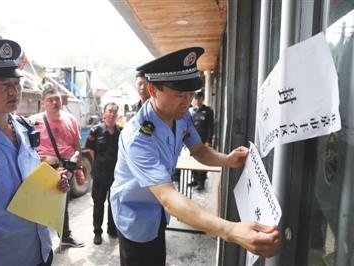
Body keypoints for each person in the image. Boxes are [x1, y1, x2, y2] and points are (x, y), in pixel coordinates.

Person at [110, 47, 281, 266]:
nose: (187, 102)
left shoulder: (180, 115)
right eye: (180, 95)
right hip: (136, 215)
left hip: (158, 213)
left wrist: (226, 159)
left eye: (191, 94)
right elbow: (169, 198)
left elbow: (198, 149)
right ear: (153, 90)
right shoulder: (138, 137)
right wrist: (232, 230)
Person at [0, 39, 69, 266]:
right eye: (3, 84)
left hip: (40, 253)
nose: (14, 91)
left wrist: (52, 185)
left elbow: (25, 183)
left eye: (17, 82)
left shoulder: (24, 129)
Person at [29, 83, 85, 248]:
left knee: (62, 203)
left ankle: (65, 236)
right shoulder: (34, 121)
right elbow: (25, 149)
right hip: (43, 170)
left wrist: (79, 169)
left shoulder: (71, 120)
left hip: (65, 168)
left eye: (57, 99)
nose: (55, 102)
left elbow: (77, 146)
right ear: (43, 103)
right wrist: (40, 158)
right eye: (50, 100)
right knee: (42, 204)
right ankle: (41, 241)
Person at [85, 102, 121, 245]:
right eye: (109, 111)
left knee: (114, 204)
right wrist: (99, 164)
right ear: (104, 114)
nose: (112, 114)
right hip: (100, 174)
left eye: (114, 112)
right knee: (98, 204)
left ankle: (112, 230)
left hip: (116, 176)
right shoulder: (96, 131)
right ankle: (97, 232)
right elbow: (90, 150)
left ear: (117, 115)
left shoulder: (121, 132)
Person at [189, 89, 214, 190]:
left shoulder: (208, 111)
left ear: (202, 99)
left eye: (198, 98)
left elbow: (210, 127)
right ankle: (195, 179)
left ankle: (201, 182)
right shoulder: (191, 111)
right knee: (192, 160)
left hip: (203, 140)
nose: (196, 100)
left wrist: (208, 141)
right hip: (192, 141)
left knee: (203, 161)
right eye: (195, 98)